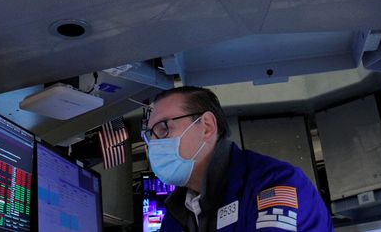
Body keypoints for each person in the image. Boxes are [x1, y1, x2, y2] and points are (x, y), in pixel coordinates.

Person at [142, 86, 334, 232]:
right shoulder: (176, 214)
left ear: (206, 127)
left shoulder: (274, 184)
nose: (155, 144)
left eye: (163, 128)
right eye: (150, 135)